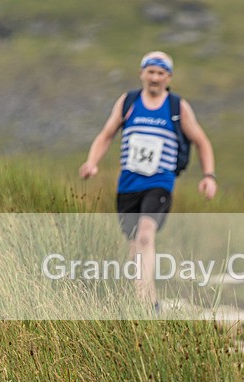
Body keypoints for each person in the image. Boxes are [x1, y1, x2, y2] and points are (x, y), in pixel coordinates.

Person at [79, 51, 217, 308]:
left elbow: (201, 141)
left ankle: (144, 301)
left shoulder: (177, 107)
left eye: (160, 73)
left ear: (168, 77)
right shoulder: (128, 102)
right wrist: (92, 162)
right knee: (133, 244)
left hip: (160, 182)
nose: (154, 77)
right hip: (128, 184)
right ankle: (148, 298)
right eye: (150, 71)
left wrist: (208, 176)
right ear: (142, 73)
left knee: (145, 235)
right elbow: (106, 134)